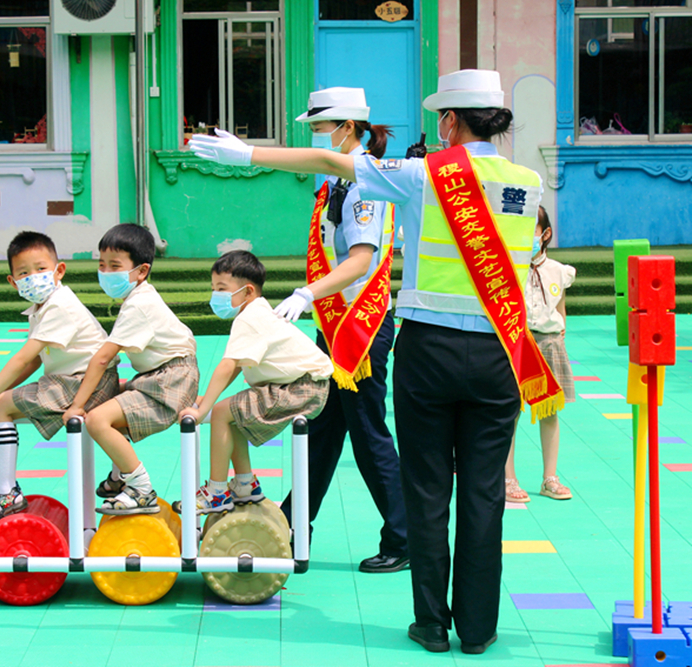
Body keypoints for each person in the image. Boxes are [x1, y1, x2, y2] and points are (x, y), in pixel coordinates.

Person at [189, 70, 561, 655]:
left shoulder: (422, 176)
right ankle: (480, 629)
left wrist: (249, 154)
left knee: (429, 488)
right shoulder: (529, 183)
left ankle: (432, 624)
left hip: (429, 353)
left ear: (448, 121)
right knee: (485, 494)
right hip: (499, 351)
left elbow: (332, 164)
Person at [275, 86, 409, 574]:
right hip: (337, 323)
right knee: (321, 428)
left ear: (347, 128)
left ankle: (405, 535)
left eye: (319, 127)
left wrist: (307, 293)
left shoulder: (365, 185)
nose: (316, 137)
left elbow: (361, 260)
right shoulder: (336, 181)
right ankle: (291, 526)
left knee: (368, 432)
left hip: (362, 325)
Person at [0, 232, 120, 529]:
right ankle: (7, 491)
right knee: (2, 402)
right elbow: (33, 361)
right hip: (75, 379)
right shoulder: (43, 307)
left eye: (41, 269)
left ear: (59, 270)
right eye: (24, 273)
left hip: (85, 382)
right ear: (12, 281)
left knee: (1, 407)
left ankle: (6, 493)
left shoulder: (58, 305)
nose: (33, 277)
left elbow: (23, 357)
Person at [177, 251, 332, 514]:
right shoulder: (255, 313)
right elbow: (239, 363)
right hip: (306, 387)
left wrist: (203, 409)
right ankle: (245, 484)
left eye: (222, 289)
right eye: (214, 288)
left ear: (248, 291)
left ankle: (216, 493)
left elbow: (227, 366)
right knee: (231, 414)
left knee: (222, 412)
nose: (216, 295)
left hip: (301, 389)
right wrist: (208, 398)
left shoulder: (251, 317)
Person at [61, 224, 199, 516]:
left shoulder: (139, 304)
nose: (107, 273)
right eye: (102, 264)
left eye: (115, 266)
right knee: (109, 403)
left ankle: (140, 487)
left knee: (96, 419)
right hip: (159, 375)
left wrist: (76, 405)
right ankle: (119, 476)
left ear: (141, 271)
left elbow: (103, 358)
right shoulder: (137, 298)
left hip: (171, 379)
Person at [505, 206, 576, 503]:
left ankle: (550, 478)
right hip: (517, 343)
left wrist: (559, 335)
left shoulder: (559, 270)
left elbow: (560, 308)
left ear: (545, 234)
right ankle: (508, 479)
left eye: (532, 229)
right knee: (510, 413)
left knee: (549, 412)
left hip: (548, 344)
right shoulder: (508, 266)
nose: (526, 236)